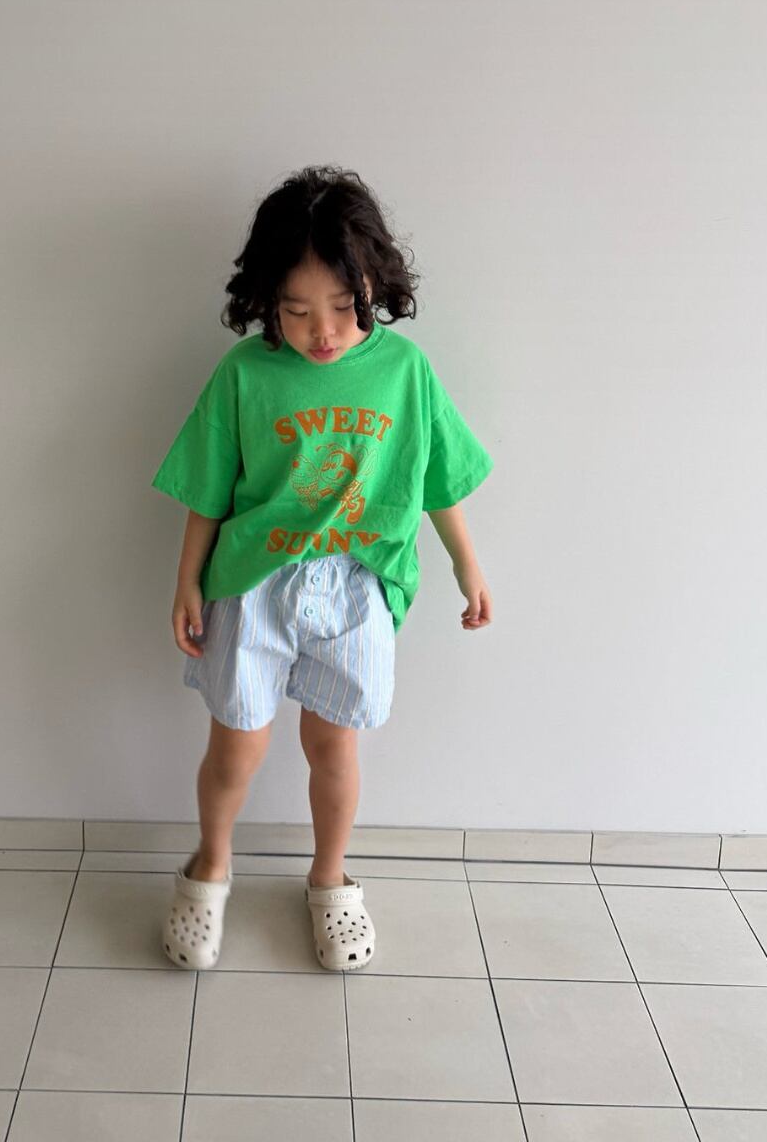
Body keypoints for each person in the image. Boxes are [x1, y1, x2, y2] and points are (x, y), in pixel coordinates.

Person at [150, 165, 495, 971]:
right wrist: (187, 579)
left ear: (374, 284)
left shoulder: (404, 371)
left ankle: (331, 879)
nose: (323, 331)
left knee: (334, 747)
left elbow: (436, 478)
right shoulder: (245, 374)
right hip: (253, 585)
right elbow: (208, 488)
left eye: (343, 306)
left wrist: (467, 566)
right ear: (266, 297)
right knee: (236, 747)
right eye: (298, 311)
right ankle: (210, 867)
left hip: (357, 584)